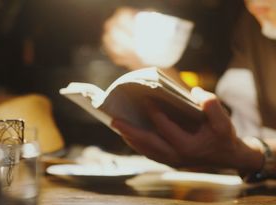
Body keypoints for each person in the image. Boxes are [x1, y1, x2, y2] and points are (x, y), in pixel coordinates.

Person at [101, 0, 276, 182]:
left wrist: (249, 155)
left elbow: (235, 149)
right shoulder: (254, 23)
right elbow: (229, 130)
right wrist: (146, 62)